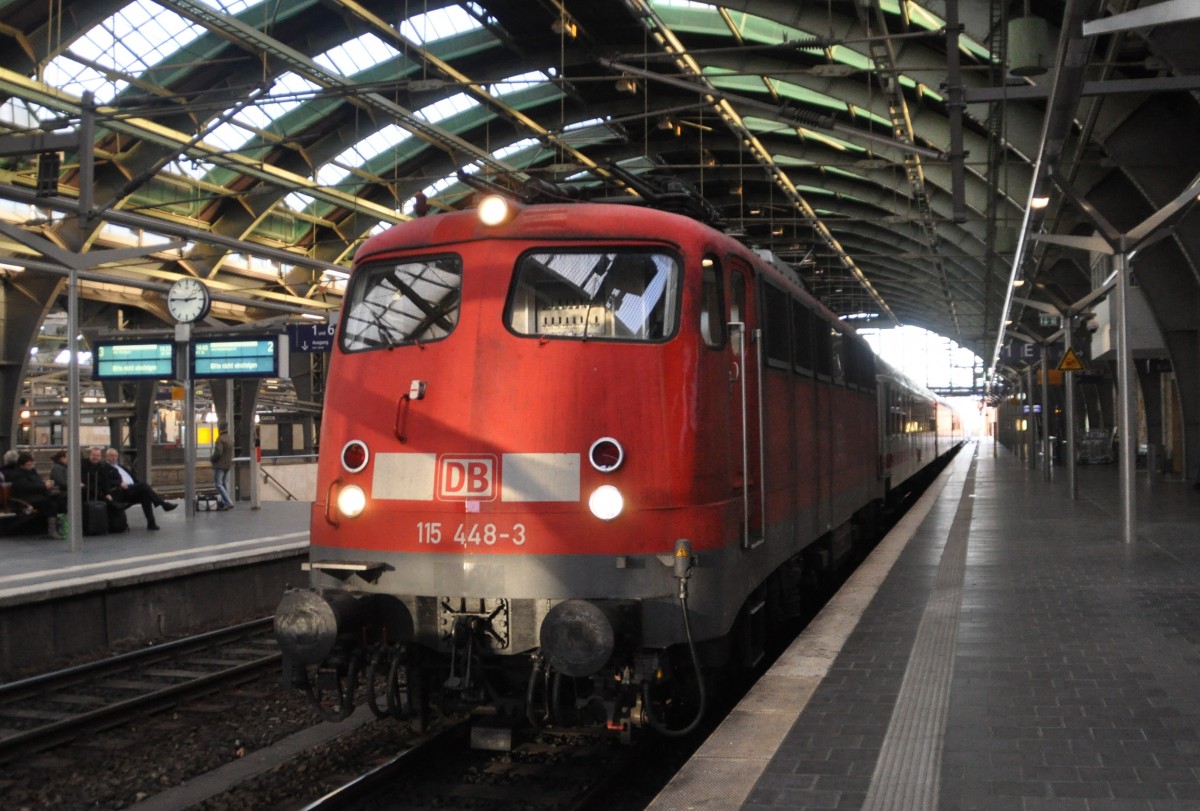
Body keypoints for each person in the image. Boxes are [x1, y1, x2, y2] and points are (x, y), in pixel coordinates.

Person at [104, 447, 177, 530]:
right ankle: (163, 504)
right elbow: (105, 481)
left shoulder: (121, 467)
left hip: (131, 489)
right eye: (111, 455)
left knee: (145, 495)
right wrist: (119, 483)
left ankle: (151, 523)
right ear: (107, 456)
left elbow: (134, 479)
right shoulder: (105, 467)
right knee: (144, 485)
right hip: (121, 491)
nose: (114, 457)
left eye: (115, 455)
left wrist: (146, 489)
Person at [10, 451, 66, 520]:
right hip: (28, 497)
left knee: (59, 499)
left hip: (37, 494)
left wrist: (46, 485)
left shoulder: (32, 471)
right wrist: (44, 486)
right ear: (21, 465)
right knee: (50, 504)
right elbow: (28, 487)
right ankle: (52, 524)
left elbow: (38, 482)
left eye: (31, 463)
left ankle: (61, 521)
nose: (30, 465)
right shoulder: (18, 475)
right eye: (28, 464)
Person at [210, 421, 235, 511]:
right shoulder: (230, 439)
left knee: (218, 483)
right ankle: (226, 502)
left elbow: (218, 453)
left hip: (220, 465)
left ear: (219, 428)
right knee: (224, 483)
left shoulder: (220, 439)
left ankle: (228, 502)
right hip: (228, 464)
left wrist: (212, 459)